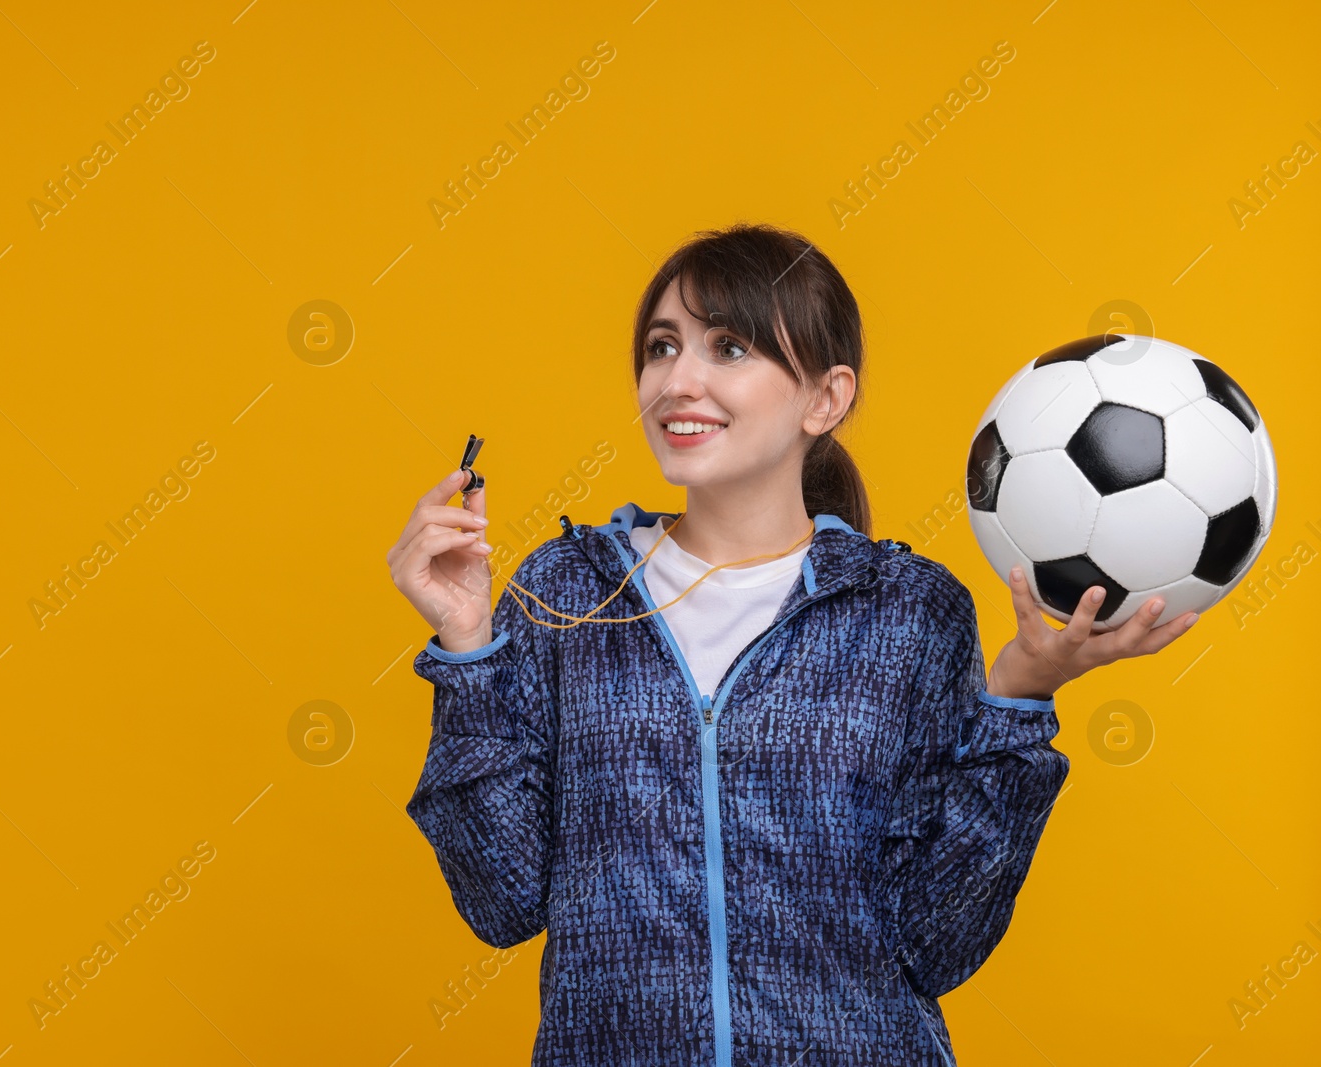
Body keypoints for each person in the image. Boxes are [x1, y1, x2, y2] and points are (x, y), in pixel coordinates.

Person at [385, 223, 1198, 1066]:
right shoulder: (567, 593)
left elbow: (935, 942)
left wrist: (1020, 697)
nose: (677, 381)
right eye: (662, 347)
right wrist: (468, 645)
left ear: (826, 398)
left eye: (728, 346)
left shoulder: (909, 610)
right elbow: (502, 899)